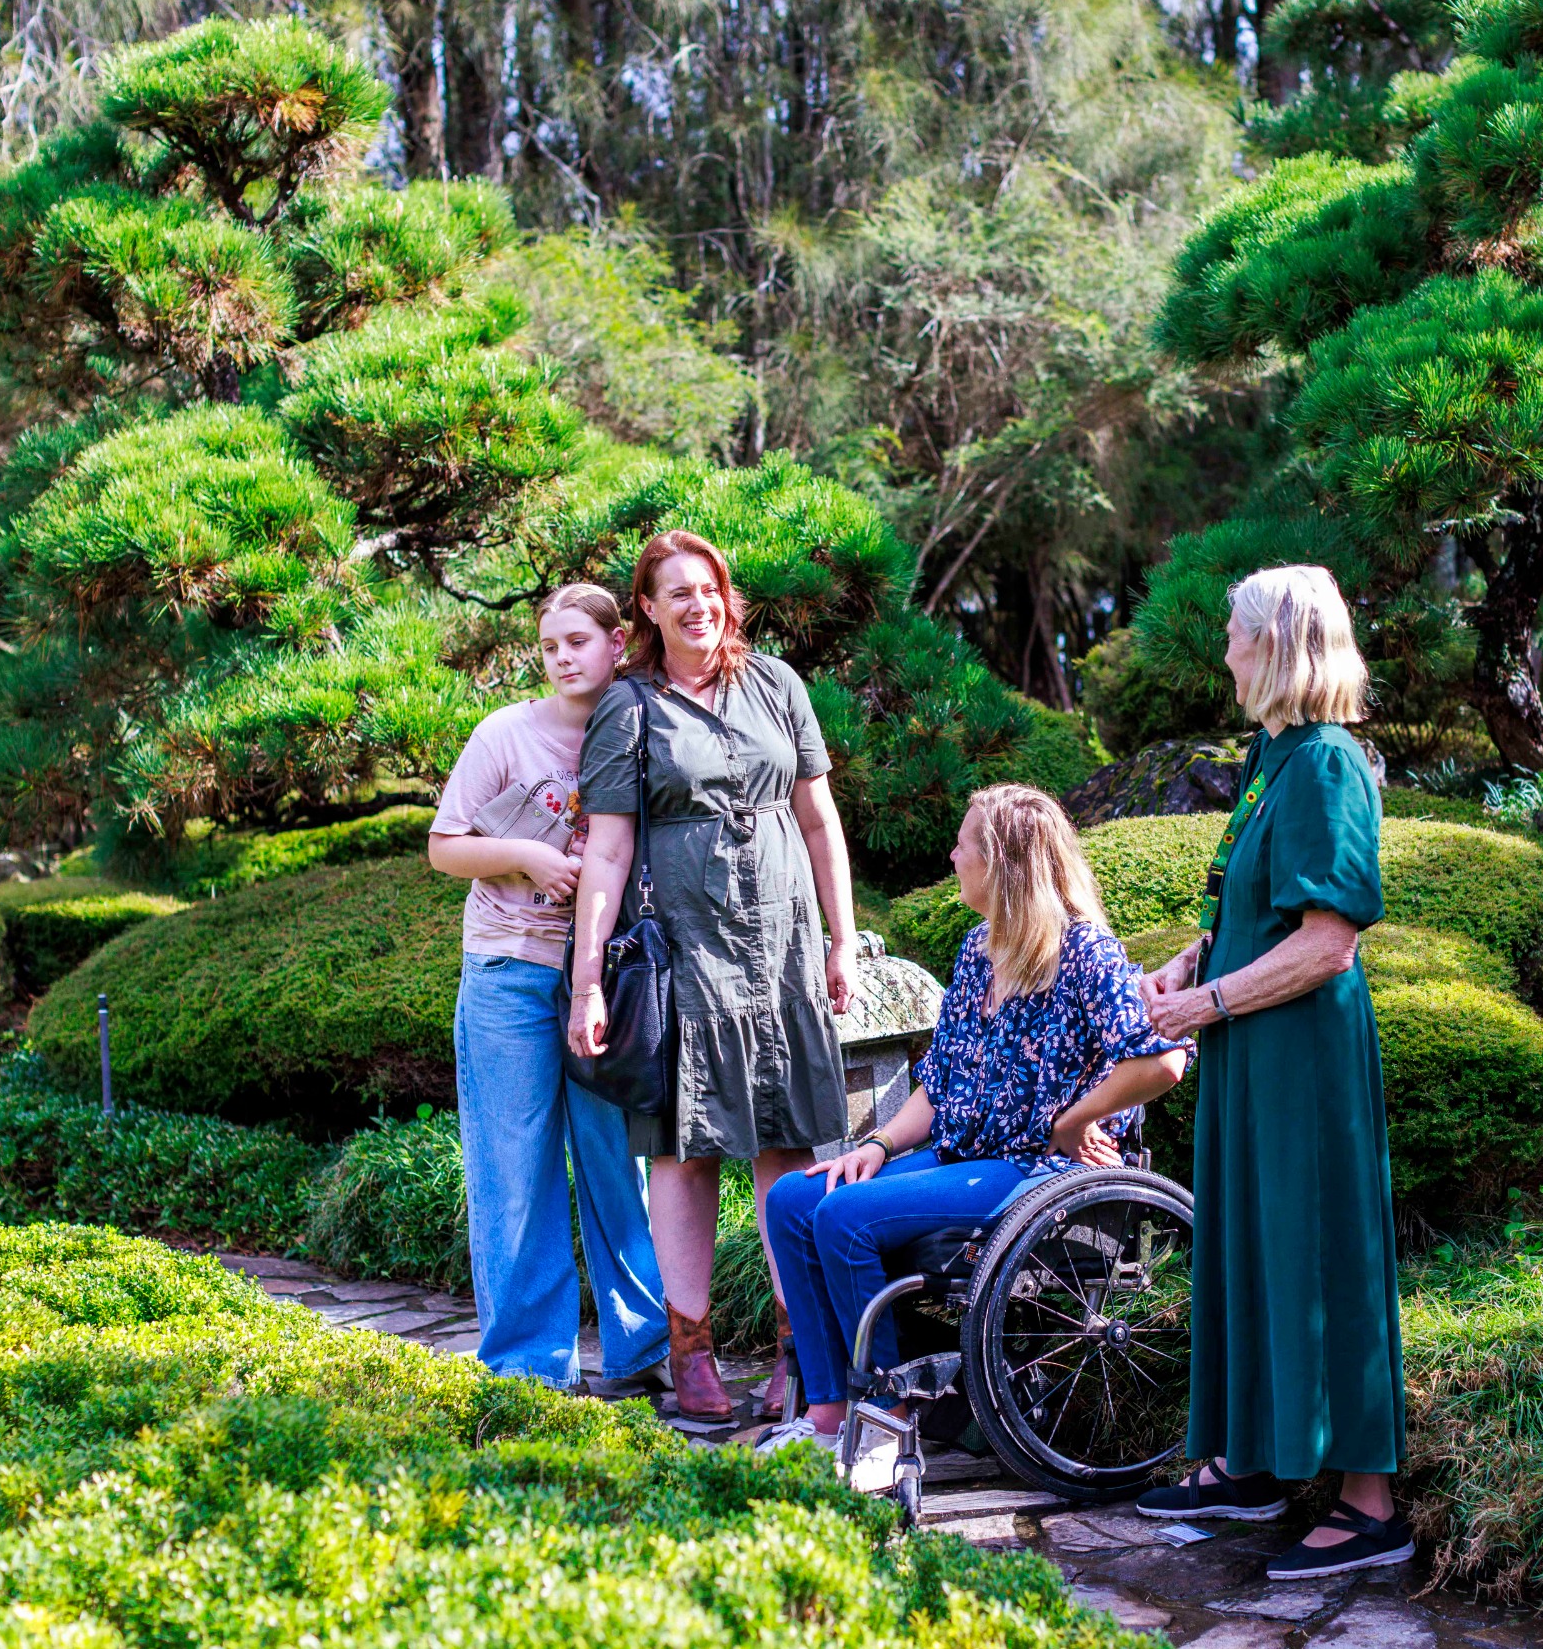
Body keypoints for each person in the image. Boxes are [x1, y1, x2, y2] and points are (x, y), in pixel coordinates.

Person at [755, 783, 1190, 1473]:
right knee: (793, 1200)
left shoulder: (1085, 952)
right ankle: (826, 1415)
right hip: (961, 1154)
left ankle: (888, 1426)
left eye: (965, 843)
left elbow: (1163, 1059)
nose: (953, 853)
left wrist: (1074, 1119)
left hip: (1037, 1173)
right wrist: (876, 1144)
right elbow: (940, 1082)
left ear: (1004, 862)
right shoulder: (976, 949)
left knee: (844, 1220)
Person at [1134, 564, 1412, 1581]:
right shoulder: (1274, 757)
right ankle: (1251, 1463)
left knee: (1317, 1252)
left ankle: (1372, 1507)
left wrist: (1204, 1005)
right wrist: (1193, 959)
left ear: (1279, 644)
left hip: (1303, 1062)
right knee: (1253, 1248)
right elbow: (1254, 907)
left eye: (1233, 633)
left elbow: (1328, 942)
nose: (1223, 650)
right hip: (1254, 1051)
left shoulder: (1328, 763)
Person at [568, 529, 859, 1422]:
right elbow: (608, 852)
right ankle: (691, 1353)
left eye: (709, 588)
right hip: (684, 957)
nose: (697, 604)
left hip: (779, 950)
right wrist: (586, 981)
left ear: (725, 596)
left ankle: (799, 1352)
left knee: (787, 1145)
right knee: (682, 1150)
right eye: (676, 593)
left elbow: (819, 822)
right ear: (647, 610)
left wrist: (842, 939)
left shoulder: (778, 684)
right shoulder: (630, 707)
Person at [428, 581, 670, 1390]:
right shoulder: (506, 733)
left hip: (610, 983)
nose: (564, 657)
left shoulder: (640, 727)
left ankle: (644, 1347)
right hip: (508, 972)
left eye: (578, 641)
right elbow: (444, 846)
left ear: (617, 643)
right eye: (549, 645)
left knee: (616, 1164)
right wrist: (526, 857)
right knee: (515, 1168)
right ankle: (532, 1368)